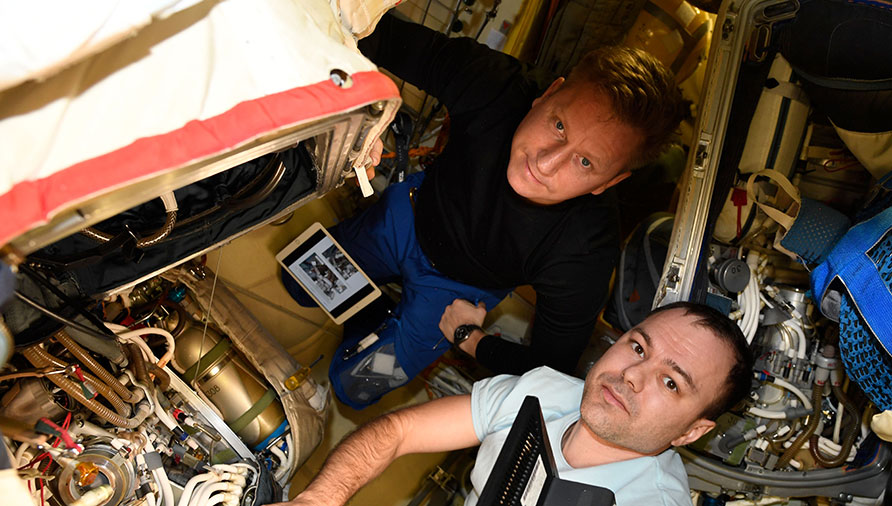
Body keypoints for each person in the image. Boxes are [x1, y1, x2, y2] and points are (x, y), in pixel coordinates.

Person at [281, 12, 689, 408]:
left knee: (357, 385)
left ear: (607, 184)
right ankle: (374, 304)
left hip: (453, 299)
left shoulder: (585, 253)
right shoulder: (497, 87)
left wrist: (470, 338)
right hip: (405, 220)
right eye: (559, 125)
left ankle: (384, 317)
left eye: (585, 163)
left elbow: (551, 366)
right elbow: (367, 29)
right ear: (547, 94)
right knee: (297, 283)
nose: (546, 163)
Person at [276, 302, 754, 506]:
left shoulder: (650, 502)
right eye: (637, 347)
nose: (631, 376)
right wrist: (322, 497)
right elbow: (398, 432)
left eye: (670, 383)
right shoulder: (542, 390)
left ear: (692, 432)